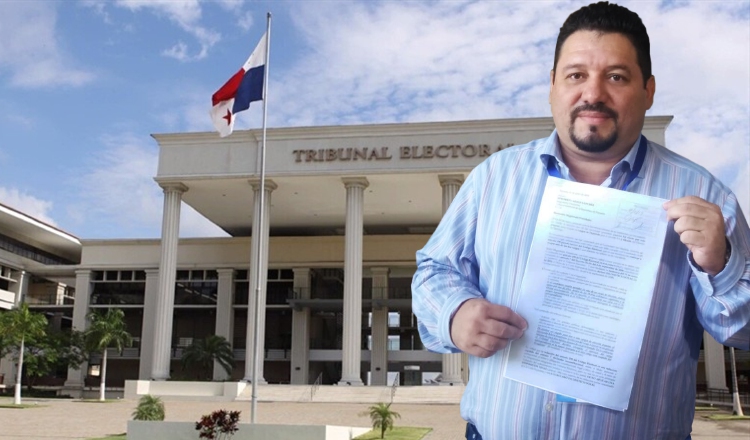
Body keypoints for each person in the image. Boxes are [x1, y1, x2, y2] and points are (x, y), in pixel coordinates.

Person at [411, 2, 750, 439]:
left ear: (648, 90)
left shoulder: (706, 196)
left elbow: (742, 332)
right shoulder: (493, 180)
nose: (593, 94)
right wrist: (455, 314)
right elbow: (434, 270)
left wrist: (719, 265)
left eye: (616, 76)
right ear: (552, 86)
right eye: (576, 75)